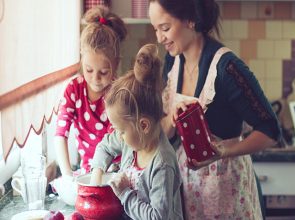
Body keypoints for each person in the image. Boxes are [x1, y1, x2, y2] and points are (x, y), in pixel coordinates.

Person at [149, 0, 281, 219]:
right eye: (156, 29)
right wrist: (172, 120)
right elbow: (165, 131)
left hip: (226, 187)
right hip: (188, 186)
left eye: (165, 28)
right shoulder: (173, 62)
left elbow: (270, 131)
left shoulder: (227, 68)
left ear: (190, 20)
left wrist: (223, 152)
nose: (159, 37)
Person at [90, 44, 183, 220]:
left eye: (121, 130)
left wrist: (125, 193)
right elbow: (104, 146)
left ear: (143, 126)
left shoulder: (162, 164)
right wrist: (97, 173)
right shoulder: (133, 141)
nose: (118, 135)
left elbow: (157, 217)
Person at [55, 6, 127, 177]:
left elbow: (115, 140)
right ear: (81, 59)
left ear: (116, 64)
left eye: (103, 72)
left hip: (117, 171)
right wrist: (66, 175)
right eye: (88, 70)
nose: (95, 79)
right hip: (87, 172)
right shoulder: (73, 90)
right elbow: (60, 134)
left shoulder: (118, 92)